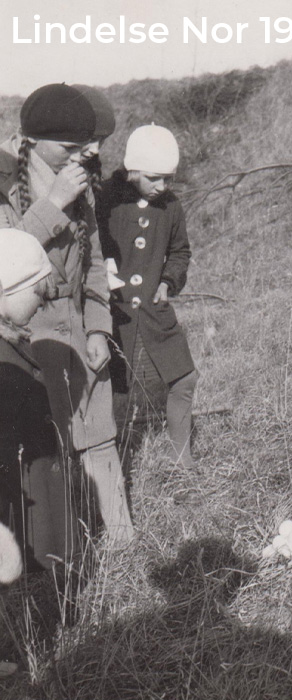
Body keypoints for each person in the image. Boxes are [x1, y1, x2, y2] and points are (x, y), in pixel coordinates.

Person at [0, 84, 132, 543]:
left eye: (85, 146)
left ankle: (122, 541)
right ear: (31, 140)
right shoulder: (4, 182)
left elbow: (93, 263)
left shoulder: (78, 180)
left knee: (100, 439)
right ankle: (59, 558)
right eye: (70, 148)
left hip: (78, 331)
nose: (83, 155)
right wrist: (52, 203)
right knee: (45, 452)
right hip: (26, 340)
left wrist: (98, 328)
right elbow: (7, 262)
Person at [98, 125, 200, 472]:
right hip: (113, 312)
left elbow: (180, 252)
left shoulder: (170, 206)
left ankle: (181, 460)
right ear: (133, 171)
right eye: (154, 178)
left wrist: (169, 281)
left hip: (155, 309)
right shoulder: (107, 198)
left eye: (169, 178)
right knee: (110, 387)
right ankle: (109, 464)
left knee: (184, 378)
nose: (162, 186)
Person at [0, 228, 82, 586]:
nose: (41, 305)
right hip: (16, 495)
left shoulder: (13, 338)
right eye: (37, 294)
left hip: (36, 481)